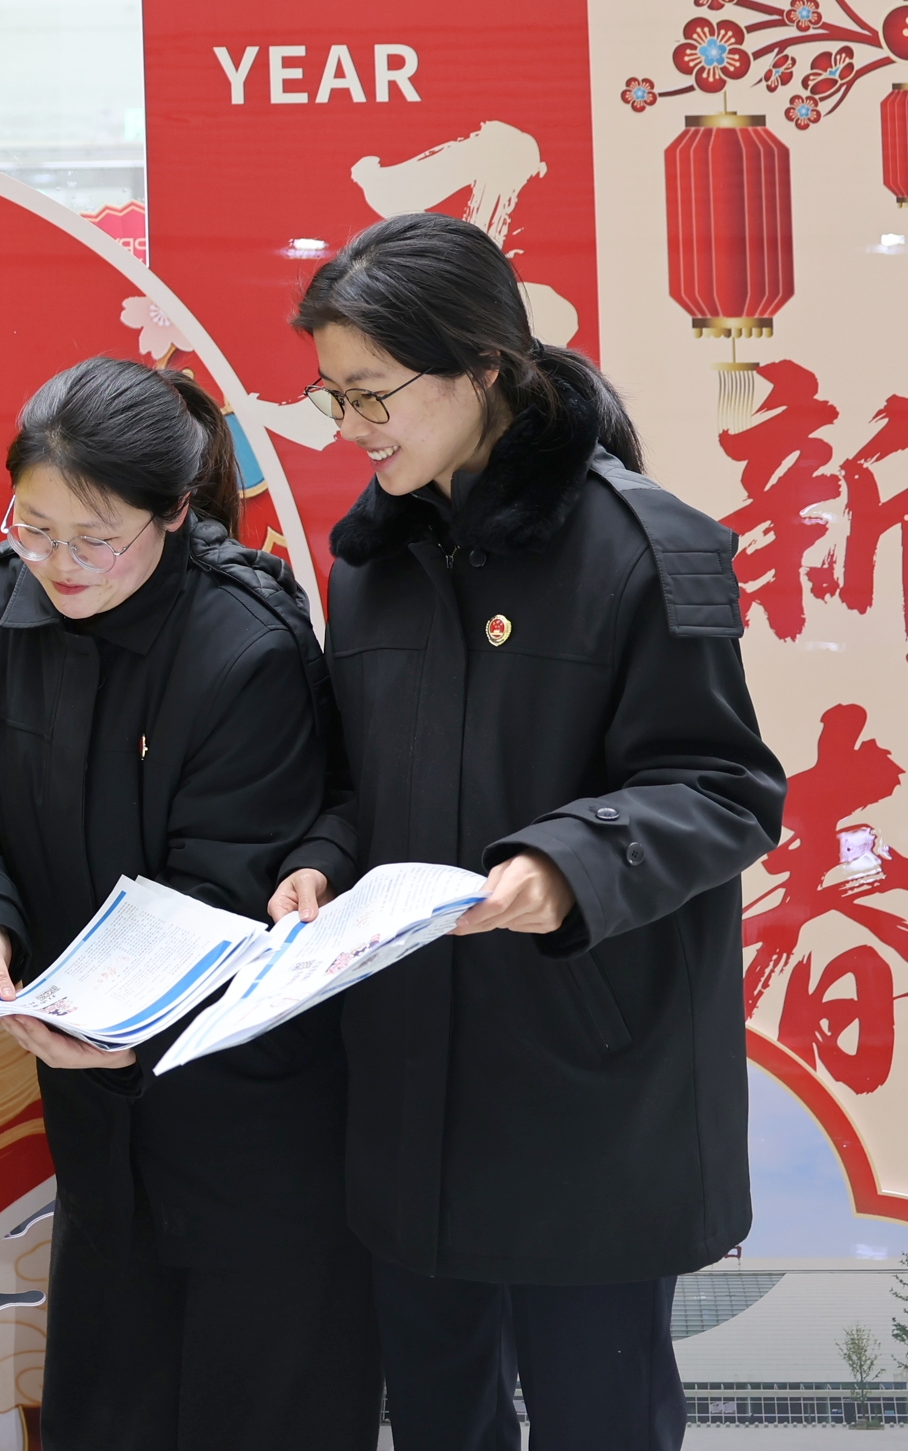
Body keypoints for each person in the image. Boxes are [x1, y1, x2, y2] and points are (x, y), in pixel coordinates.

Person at [267, 211, 787, 1449]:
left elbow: (723, 785)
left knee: (597, 1413)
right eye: (333, 395)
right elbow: (355, 776)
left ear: (484, 365)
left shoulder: (645, 546)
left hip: (584, 1085)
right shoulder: (373, 561)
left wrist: (564, 863)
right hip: (412, 1079)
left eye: (372, 392)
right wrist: (318, 862)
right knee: (437, 1412)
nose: (351, 426)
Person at [0, 356, 382, 1450]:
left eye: (96, 538)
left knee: (266, 1410)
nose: (58, 565)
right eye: (33, 527)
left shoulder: (243, 645)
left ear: (173, 514)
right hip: (96, 1114)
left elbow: (224, 881)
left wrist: (113, 1017)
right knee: (109, 1405)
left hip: (252, 1110)